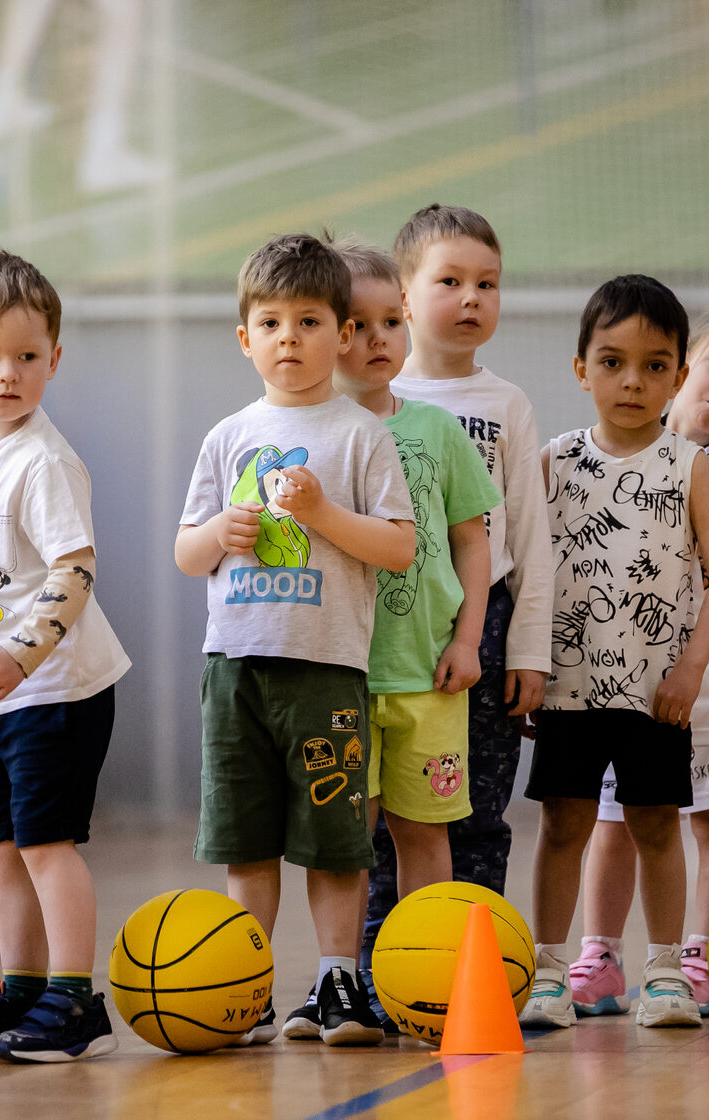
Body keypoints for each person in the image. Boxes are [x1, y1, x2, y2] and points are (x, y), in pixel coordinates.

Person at [175, 233, 415, 1047]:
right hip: (234, 667)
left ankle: (337, 981)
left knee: (335, 842)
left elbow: (398, 547)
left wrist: (321, 516)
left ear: (341, 334)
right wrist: (221, 531)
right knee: (247, 843)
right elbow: (186, 554)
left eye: (308, 321)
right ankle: (248, 985)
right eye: (270, 323)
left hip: (325, 670)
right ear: (246, 338)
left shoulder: (359, 435)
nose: (289, 338)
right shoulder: (226, 435)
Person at [281, 237, 500, 1040]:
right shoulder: (311, 436)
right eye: (359, 325)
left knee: (423, 831)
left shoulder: (439, 431)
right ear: (331, 332)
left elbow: (474, 542)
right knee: (346, 834)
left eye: (391, 323)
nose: (377, 341)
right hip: (339, 676)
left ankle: (427, 979)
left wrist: (471, 637)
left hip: (426, 675)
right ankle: (343, 984)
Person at [518, 275, 709, 1030]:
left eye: (655, 366)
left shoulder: (691, 468)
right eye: (612, 361)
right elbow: (530, 572)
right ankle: (550, 972)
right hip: (568, 692)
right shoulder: (552, 461)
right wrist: (528, 666)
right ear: (581, 368)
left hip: (657, 695)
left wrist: (689, 668)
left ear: (678, 376)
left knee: (656, 827)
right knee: (562, 827)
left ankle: (664, 973)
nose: (632, 381)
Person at [0, 250, 131, 1062]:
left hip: (60, 687)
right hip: (1, 688)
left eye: (26, 356)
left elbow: (73, 570)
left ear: (54, 358)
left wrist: (18, 652)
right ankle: (21, 988)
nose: (7, 374)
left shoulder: (43, 461)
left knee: (47, 844)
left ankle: (75, 1002)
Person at [571, 302, 709, 1020]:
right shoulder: (616, 449)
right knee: (615, 815)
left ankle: (706, 956)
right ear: (683, 367)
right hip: (618, 669)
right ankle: (599, 955)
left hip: (700, 673)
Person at [362, 205, 555, 998]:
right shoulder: (370, 396)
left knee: (472, 810)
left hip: (485, 628)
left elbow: (529, 539)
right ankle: (382, 973)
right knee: (383, 813)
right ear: (403, 295)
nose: (472, 297)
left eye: (488, 283)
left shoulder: (506, 404)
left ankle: (472, 970)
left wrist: (530, 653)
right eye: (450, 281)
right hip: (387, 629)